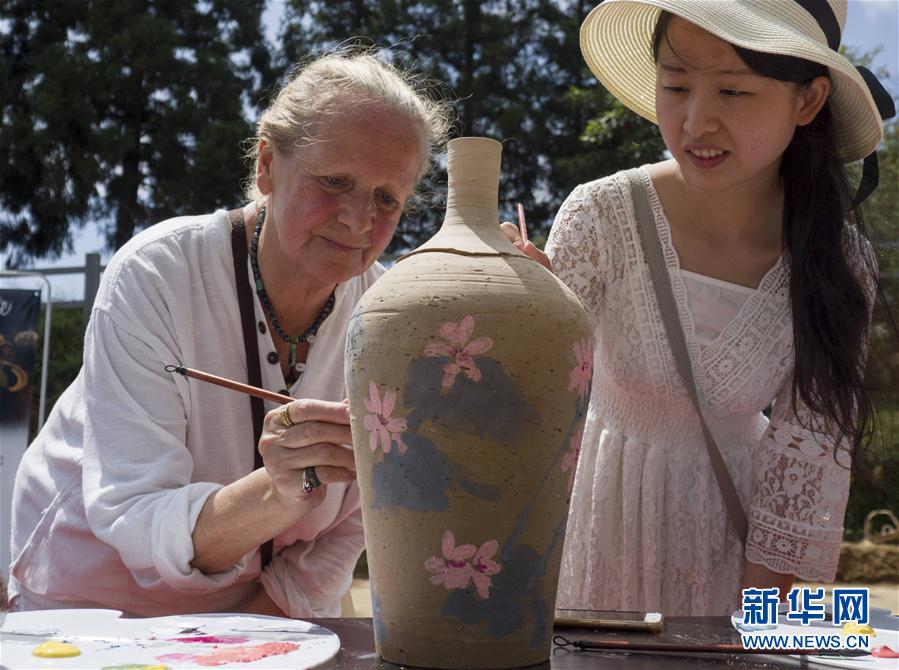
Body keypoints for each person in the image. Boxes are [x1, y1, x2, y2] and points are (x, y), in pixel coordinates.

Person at [8, 52, 451, 617]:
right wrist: (276, 491)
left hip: (266, 615)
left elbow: (368, 509)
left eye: (387, 198)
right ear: (267, 163)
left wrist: (265, 622)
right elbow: (135, 512)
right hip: (94, 604)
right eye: (335, 181)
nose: (359, 219)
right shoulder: (159, 274)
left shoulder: (389, 314)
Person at [503, 0, 893, 615]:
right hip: (592, 523)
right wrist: (514, 305)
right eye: (676, 85)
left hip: (737, 561)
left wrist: (755, 622)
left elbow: (809, 454)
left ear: (808, 101)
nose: (696, 121)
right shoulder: (601, 215)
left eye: (733, 92)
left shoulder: (840, 263)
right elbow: (532, 397)